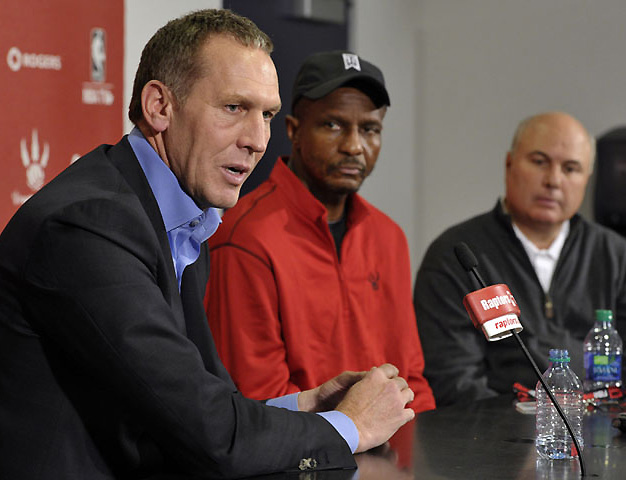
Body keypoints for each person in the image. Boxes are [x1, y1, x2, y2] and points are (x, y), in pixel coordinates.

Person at [0, 10, 416, 479]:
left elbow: (205, 403)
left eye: (267, 115)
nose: (257, 140)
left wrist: (306, 407)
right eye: (234, 108)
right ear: (160, 106)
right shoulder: (88, 225)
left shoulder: (186, 219)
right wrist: (350, 427)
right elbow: (211, 435)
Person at [205, 51, 435, 413]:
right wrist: (356, 433)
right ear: (294, 131)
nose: (354, 146)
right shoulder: (245, 237)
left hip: (389, 444)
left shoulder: (389, 236)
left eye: (370, 129)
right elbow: (258, 400)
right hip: (299, 448)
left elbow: (412, 381)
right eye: (332, 125)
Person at [414, 111, 626, 406]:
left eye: (571, 168)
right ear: (509, 164)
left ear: (586, 179)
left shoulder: (614, 255)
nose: (553, 180)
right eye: (539, 162)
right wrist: (537, 426)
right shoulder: (456, 255)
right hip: (494, 430)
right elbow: (454, 382)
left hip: (600, 428)